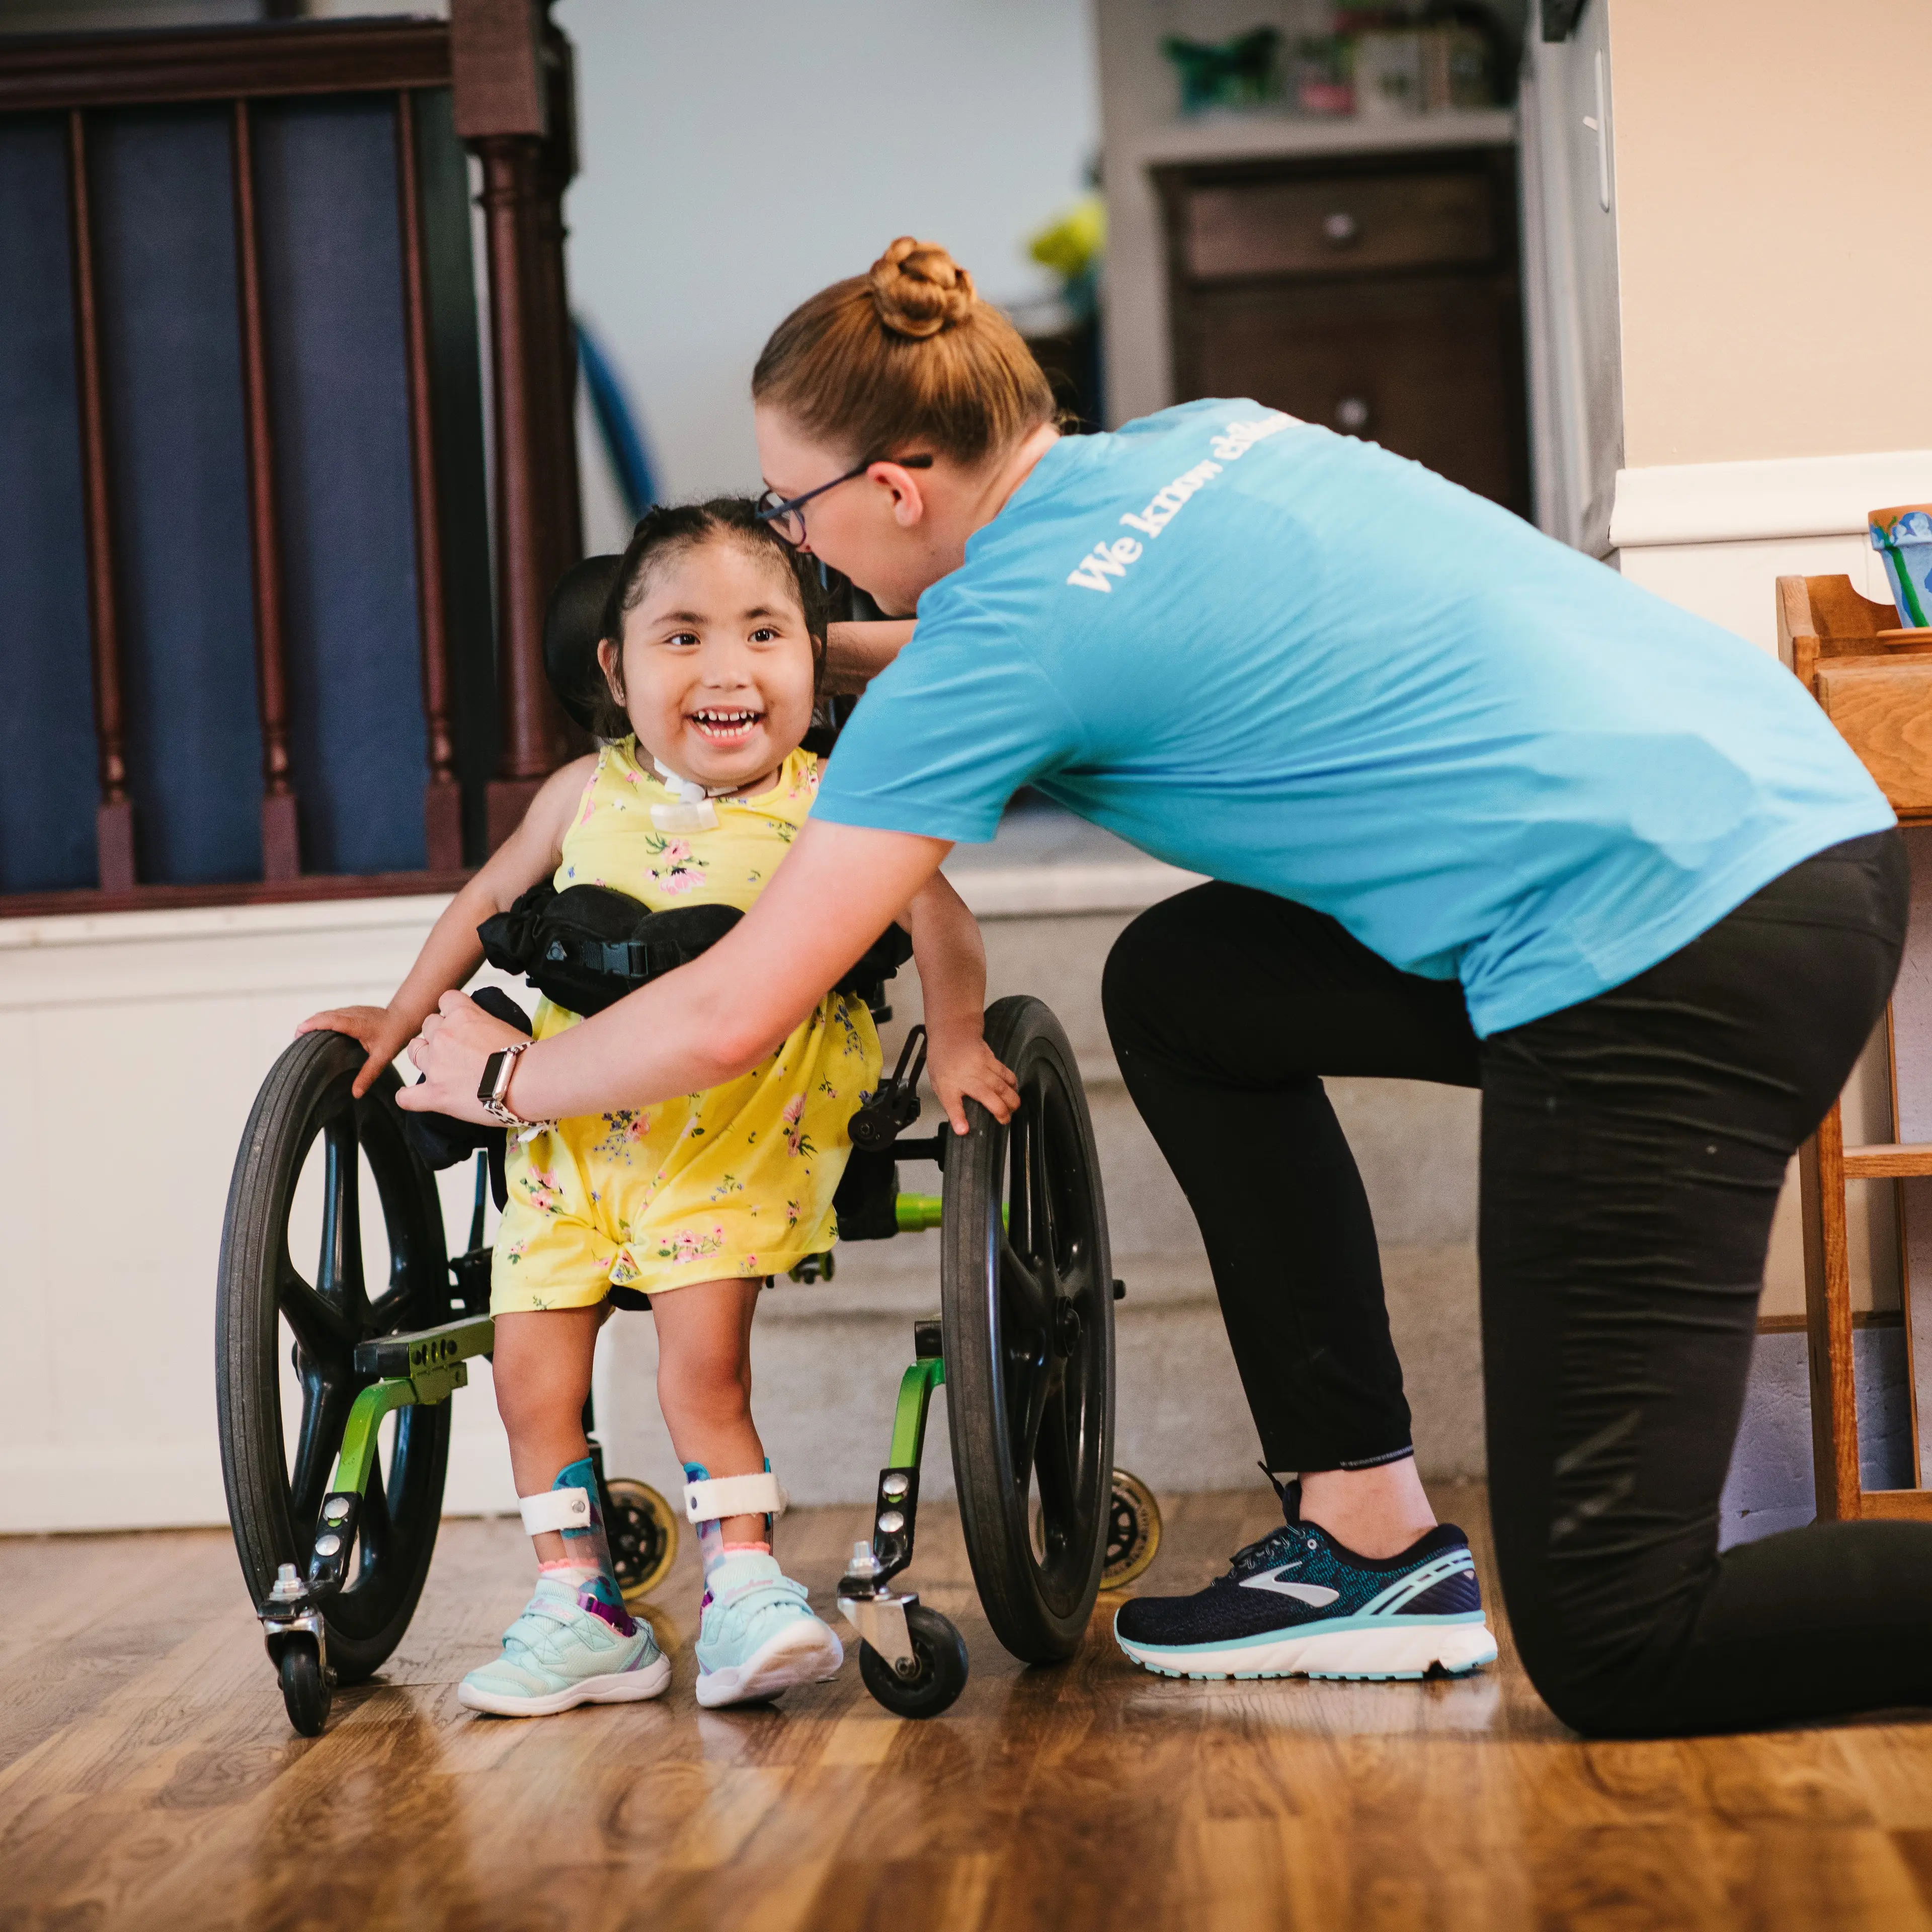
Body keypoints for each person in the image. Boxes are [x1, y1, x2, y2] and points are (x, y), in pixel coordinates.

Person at [399, 238, 1922, 1738]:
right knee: (1192, 988)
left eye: (793, 517)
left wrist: (504, 1078)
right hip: (1807, 840)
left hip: (1668, 957)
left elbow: (737, 1006)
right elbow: (1052, 629)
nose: (800, 544)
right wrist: (781, 653)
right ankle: (1369, 1538)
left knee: (1621, 1641)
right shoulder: (1204, 440)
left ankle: (1467, 1578)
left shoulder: (993, 662)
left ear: (897, 489)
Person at [304, 498, 1015, 1715]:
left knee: (702, 1376)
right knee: (531, 1384)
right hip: (568, 1137)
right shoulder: (583, 794)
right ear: (616, 668)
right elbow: (484, 904)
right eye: (683, 637)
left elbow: (943, 923)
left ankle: (744, 1589)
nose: (728, 670)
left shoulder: (832, 800)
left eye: (765, 634)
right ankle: (581, 1608)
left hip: (739, 1132)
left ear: (815, 661)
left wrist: (952, 1037)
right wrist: (399, 1011)